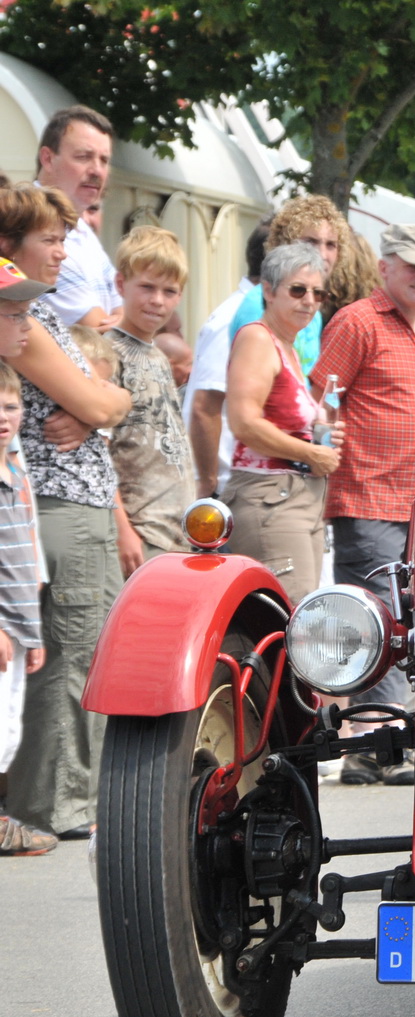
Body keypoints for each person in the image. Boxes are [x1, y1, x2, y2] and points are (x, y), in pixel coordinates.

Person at [0, 188, 133, 841]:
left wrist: (102, 402)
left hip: (77, 502)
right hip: (56, 506)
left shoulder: (42, 314)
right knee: (67, 657)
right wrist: (99, 404)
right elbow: (104, 403)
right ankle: (53, 803)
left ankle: (61, 797)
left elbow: (109, 399)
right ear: (9, 248)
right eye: (49, 239)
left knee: (82, 652)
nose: (61, 250)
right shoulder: (17, 317)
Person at [311, 223, 415, 786]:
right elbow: (323, 397)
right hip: (367, 493)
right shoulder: (358, 320)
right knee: (376, 618)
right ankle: (372, 745)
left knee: (403, 618)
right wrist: (320, 459)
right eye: (411, 265)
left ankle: (378, 743)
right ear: (385, 268)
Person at [223, 243, 338, 606]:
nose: (309, 300)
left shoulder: (285, 346)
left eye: (318, 293)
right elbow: (243, 422)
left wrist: (320, 439)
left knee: (300, 623)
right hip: (269, 498)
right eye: (298, 289)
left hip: (296, 498)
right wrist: (310, 452)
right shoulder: (258, 338)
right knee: (294, 624)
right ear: (268, 292)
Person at [104, 227, 197, 567]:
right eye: (146, 287)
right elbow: (98, 450)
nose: (157, 300)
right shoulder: (108, 352)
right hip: (141, 531)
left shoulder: (158, 354)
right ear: (120, 284)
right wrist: (123, 530)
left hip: (178, 534)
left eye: (169, 291)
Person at [0, 294, 54, 854]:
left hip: (19, 620)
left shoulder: (16, 466)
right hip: (1, 623)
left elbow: (28, 547)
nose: (4, 418)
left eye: (11, 407)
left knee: (8, 726)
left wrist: (30, 628)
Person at [187, 217, 270, 499]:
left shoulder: (263, 317)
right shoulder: (235, 318)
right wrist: (209, 485)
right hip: (226, 488)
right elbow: (205, 407)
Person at [229, 197, 346, 377]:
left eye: (331, 245)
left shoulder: (311, 306)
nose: (322, 254)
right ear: (285, 243)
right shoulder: (259, 302)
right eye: (311, 242)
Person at [35, 106, 121, 330]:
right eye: (84, 157)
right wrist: (126, 320)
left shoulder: (80, 229)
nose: (97, 171)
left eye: (104, 160)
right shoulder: (35, 230)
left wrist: (125, 318)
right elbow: (104, 332)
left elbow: (124, 305)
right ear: (48, 158)